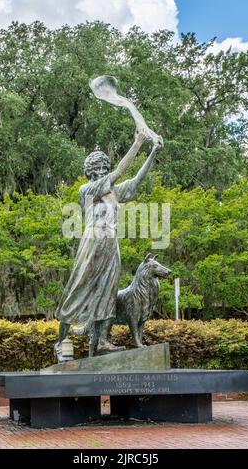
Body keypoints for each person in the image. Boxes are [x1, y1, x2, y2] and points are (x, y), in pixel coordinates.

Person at [55, 130, 163, 360]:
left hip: (111, 244)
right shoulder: (87, 189)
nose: (103, 172)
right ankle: (60, 341)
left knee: (108, 290)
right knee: (77, 289)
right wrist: (137, 143)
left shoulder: (113, 192)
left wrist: (152, 151)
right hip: (93, 243)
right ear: (90, 172)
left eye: (105, 168)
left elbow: (136, 180)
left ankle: (103, 340)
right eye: (98, 169)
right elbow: (120, 171)